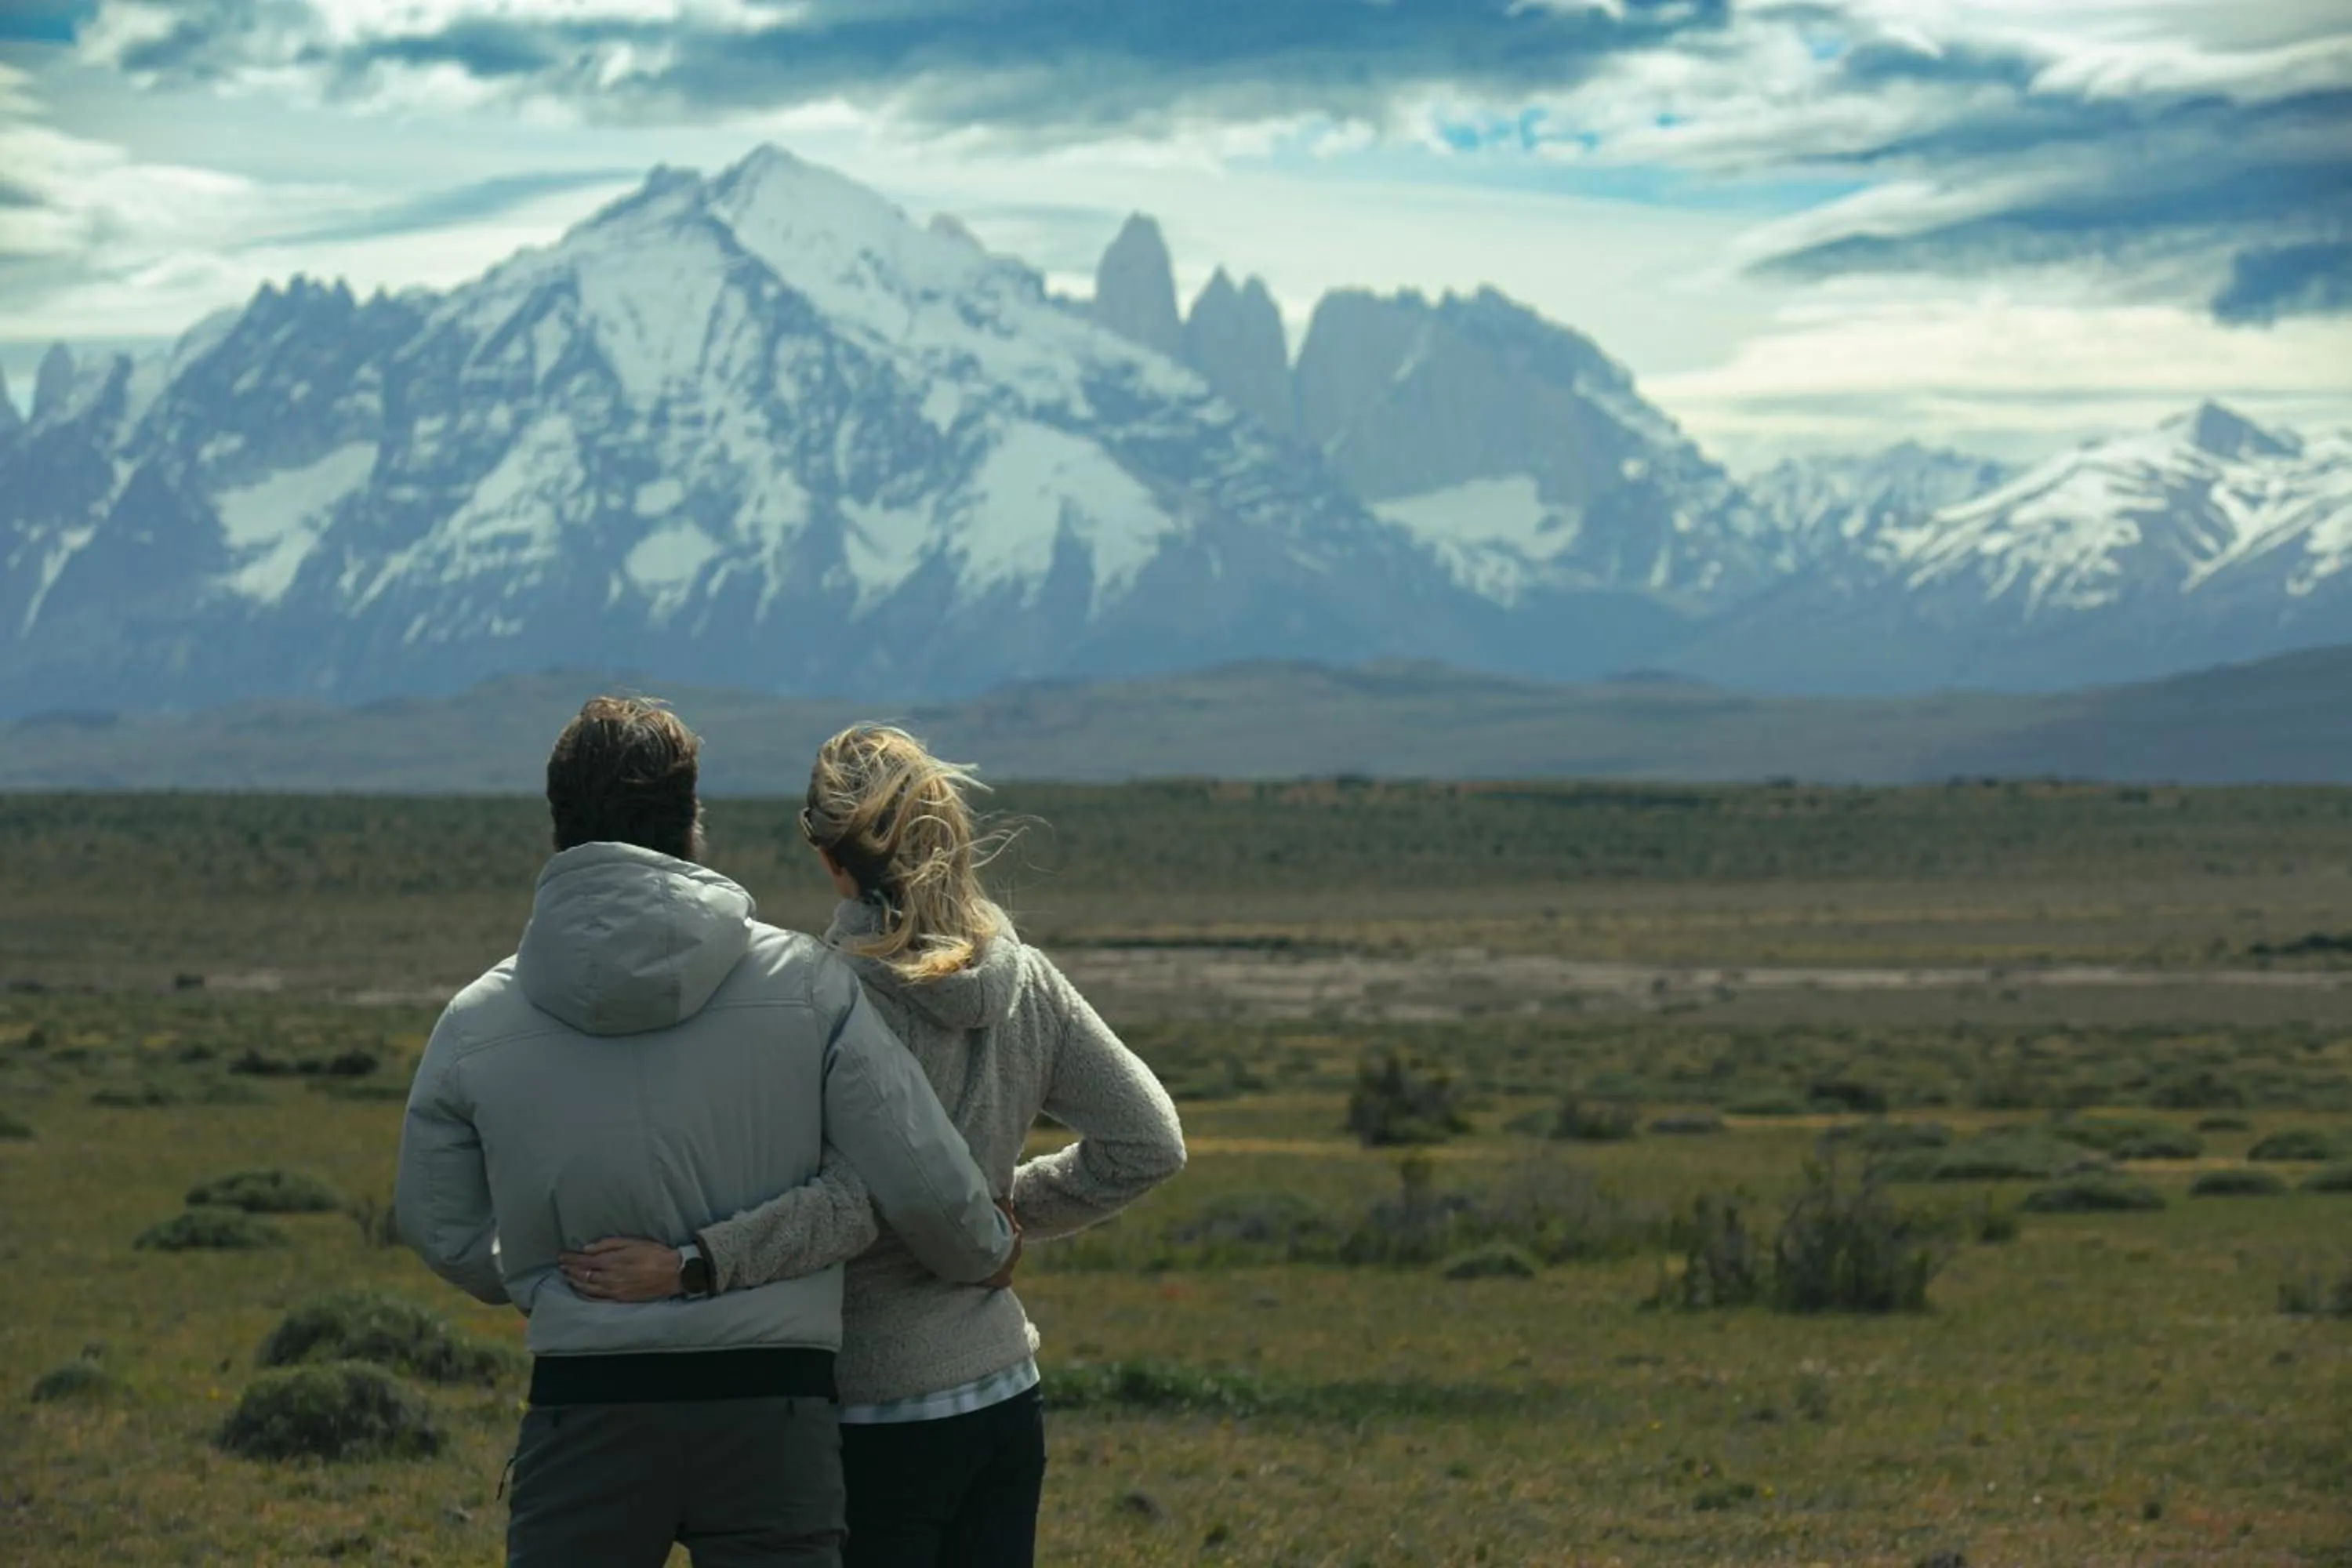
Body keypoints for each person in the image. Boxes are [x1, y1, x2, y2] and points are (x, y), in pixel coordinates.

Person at [396, 699, 1018, 1568]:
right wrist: (985, 1246)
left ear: (557, 825)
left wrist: (544, 1277)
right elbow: (916, 1170)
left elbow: (436, 1222)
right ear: (692, 821)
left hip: (586, 1405)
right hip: (775, 1410)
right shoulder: (808, 984)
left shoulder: (477, 1017)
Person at [561, 724, 1187, 1568]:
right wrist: (1011, 1213)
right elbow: (1149, 1141)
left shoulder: (821, 995)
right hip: (1004, 1393)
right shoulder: (1028, 979)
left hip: (872, 1409)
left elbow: (844, 1208)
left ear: (830, 858)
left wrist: (695, 1262)